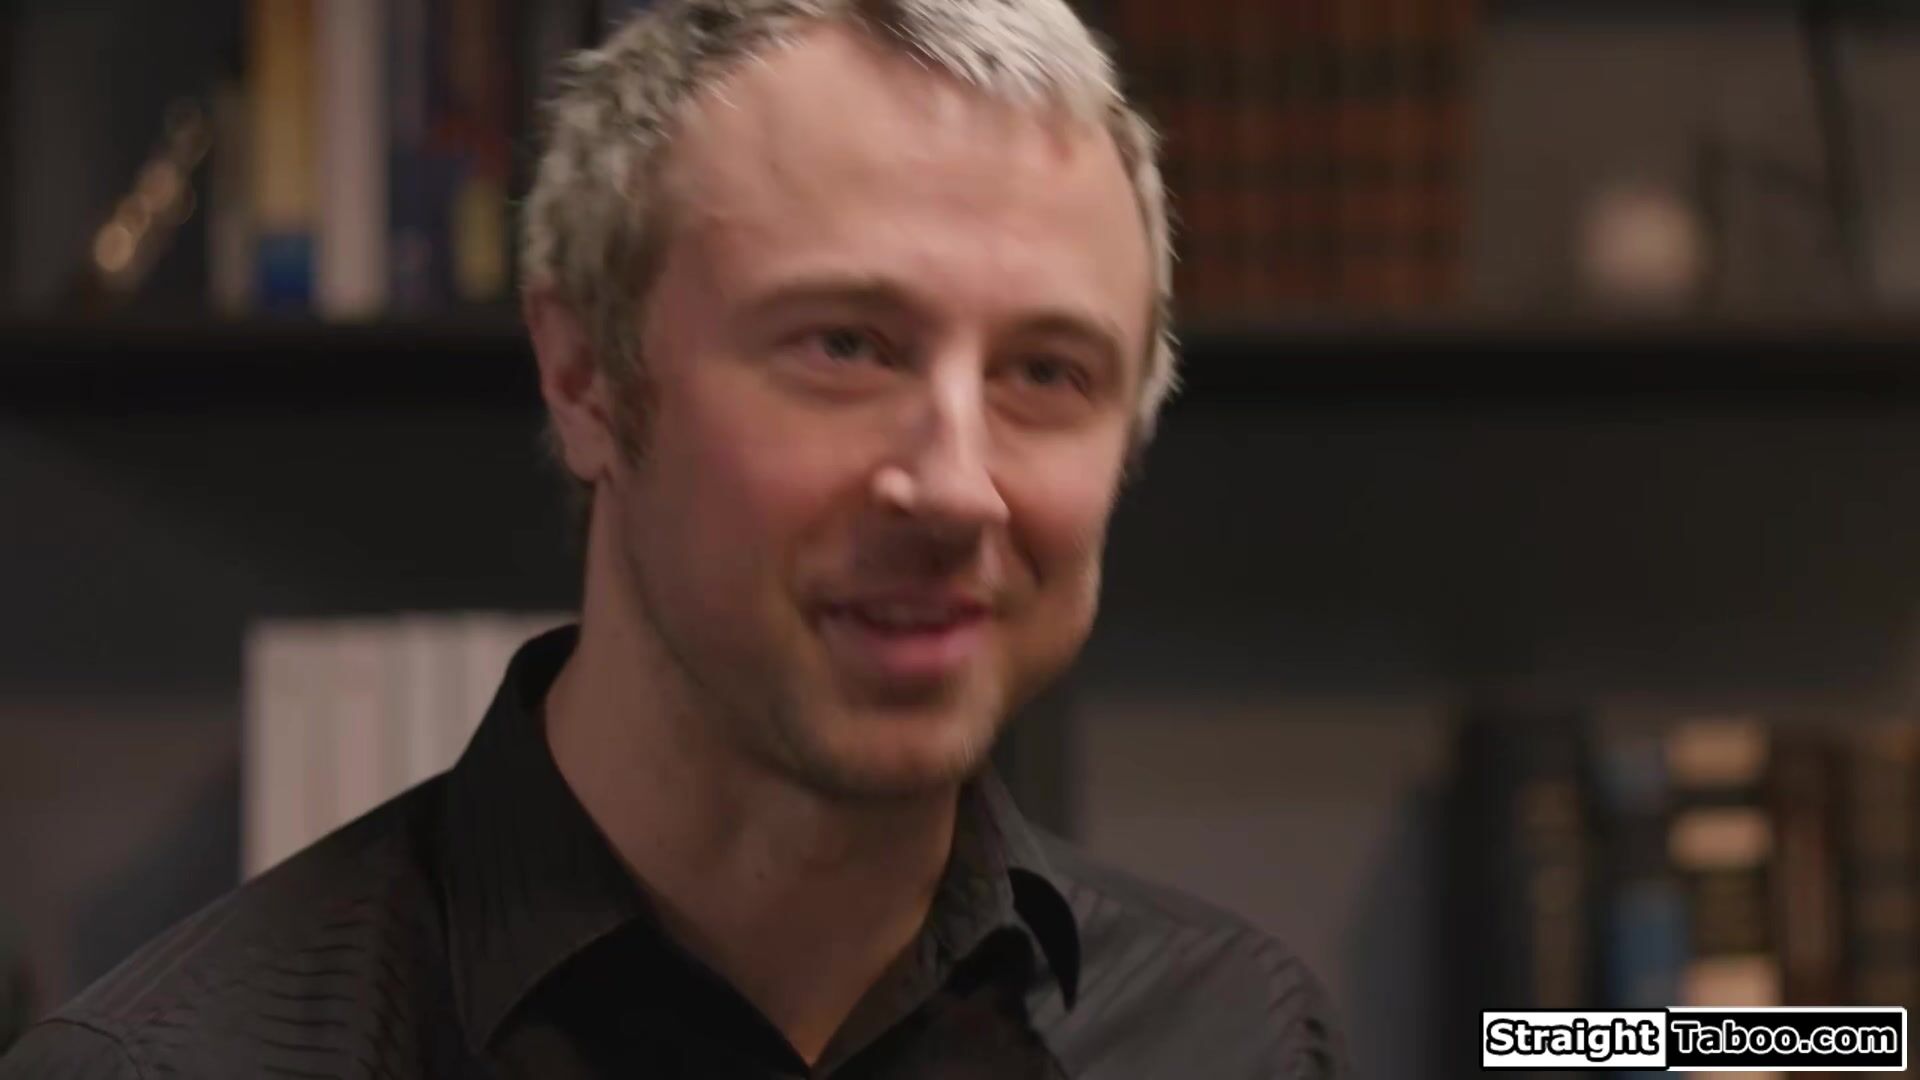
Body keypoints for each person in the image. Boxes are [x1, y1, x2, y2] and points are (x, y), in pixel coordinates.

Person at [1, 1, 1348, 1076]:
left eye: (1046, 372)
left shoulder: (1238, 1038)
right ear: (586, 376)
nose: (956, 488)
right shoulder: (172, 1067)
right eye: (845, 346)